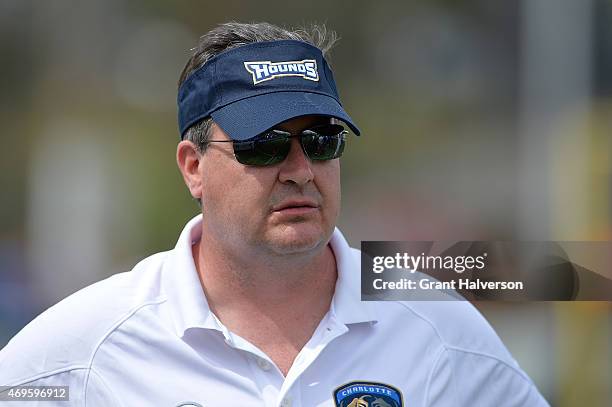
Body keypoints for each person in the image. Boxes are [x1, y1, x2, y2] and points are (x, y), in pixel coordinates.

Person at [0, 22, 548, 406]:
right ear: (193, 167)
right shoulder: (83, 350)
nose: (300, 169)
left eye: (321, 139)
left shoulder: (437, 328)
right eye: (264, 144)